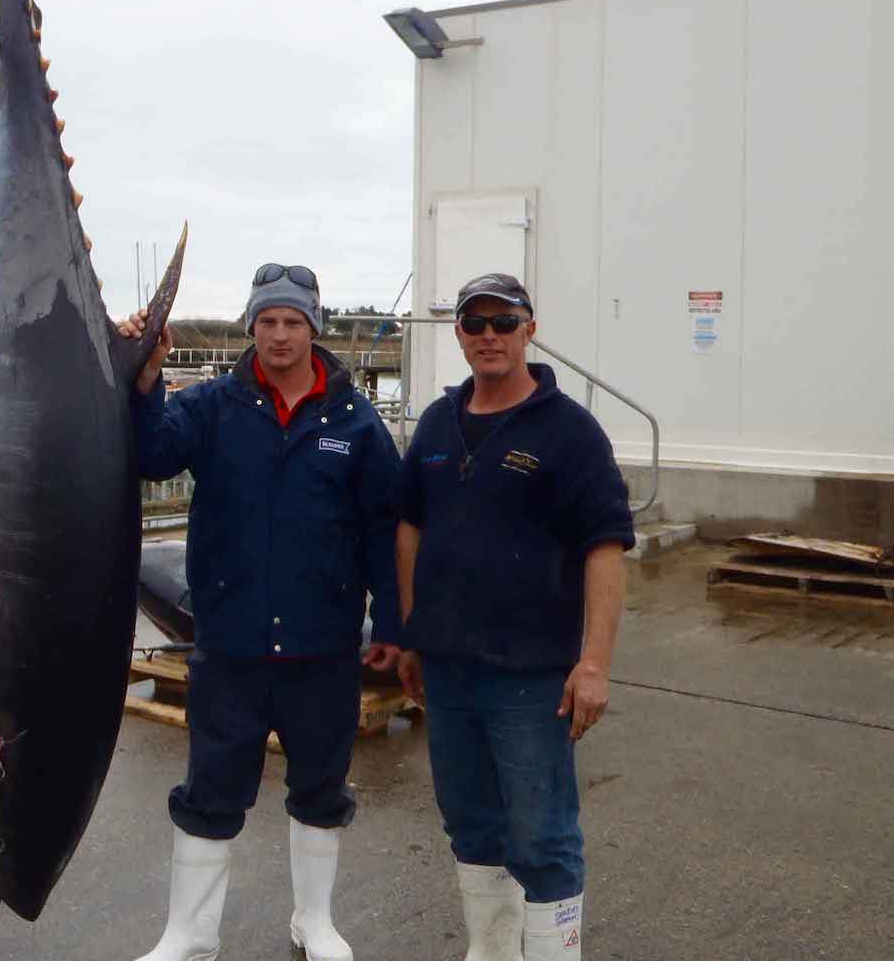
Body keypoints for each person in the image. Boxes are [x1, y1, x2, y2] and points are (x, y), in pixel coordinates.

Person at [119, 263, 401, 961]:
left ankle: (315, 922)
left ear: (315, 328)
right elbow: (153, 453)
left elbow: (380, 530)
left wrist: (392, 625)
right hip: (231, 642)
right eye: (267, 322)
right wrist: (145, 379)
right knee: (210, 790)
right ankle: (189, 935)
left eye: (293, 322)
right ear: (252, 328)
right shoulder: (213, 404)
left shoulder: (356, 422)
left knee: (319, 787)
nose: (279, 335)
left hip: (323, 646)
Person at [364, 272, 633, 961]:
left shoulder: (571, 432)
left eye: (503, 322)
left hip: (531, 677)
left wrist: (594, 663)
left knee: (542, 838)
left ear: (529, 330)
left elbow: (606, 550)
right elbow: (409, 530)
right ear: (457, 333)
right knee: (472, 826)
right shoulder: (433, 423)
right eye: (474, 323)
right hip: (447, 672)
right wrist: (412, 632)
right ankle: (489, 951)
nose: (489, 335)